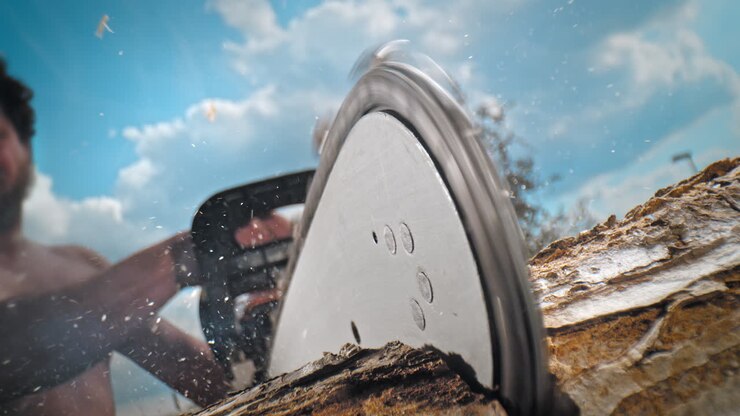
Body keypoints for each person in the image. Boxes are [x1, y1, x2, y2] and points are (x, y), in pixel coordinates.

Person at [0, 58, 288, 415]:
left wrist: (266, 336)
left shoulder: (78, 265)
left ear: (25, 148)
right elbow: (21, 349)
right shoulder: (102, 288)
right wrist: (184, 256)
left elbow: (202, 375)